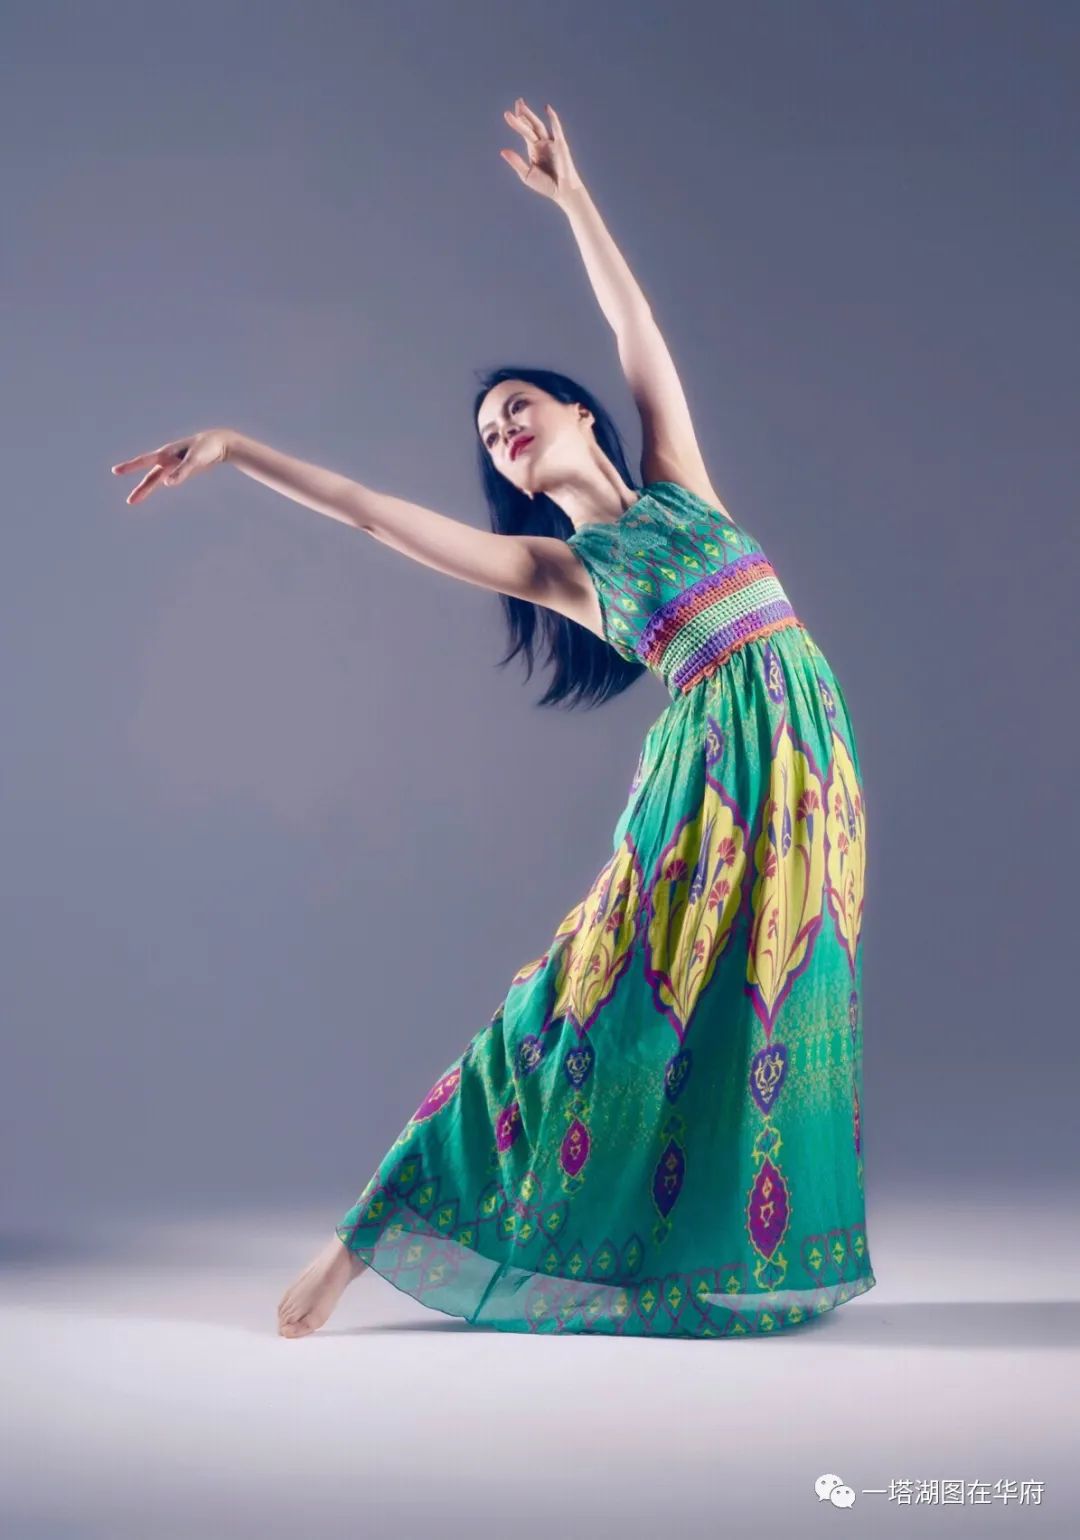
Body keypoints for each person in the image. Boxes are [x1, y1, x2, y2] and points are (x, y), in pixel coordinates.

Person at [112, 98, 875, 1338]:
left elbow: (635, 326)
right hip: (711, 782)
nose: (502, 429)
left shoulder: (681, 482)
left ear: (579, 414)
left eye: (517, 406)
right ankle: (368, 1233)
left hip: (811, 771)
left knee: (775, 998)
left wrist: (574, 198)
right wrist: (238, 448)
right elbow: (372, 514)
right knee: (592, 998)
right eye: (487, 435)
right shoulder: (564, 570)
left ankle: (733, 1249)